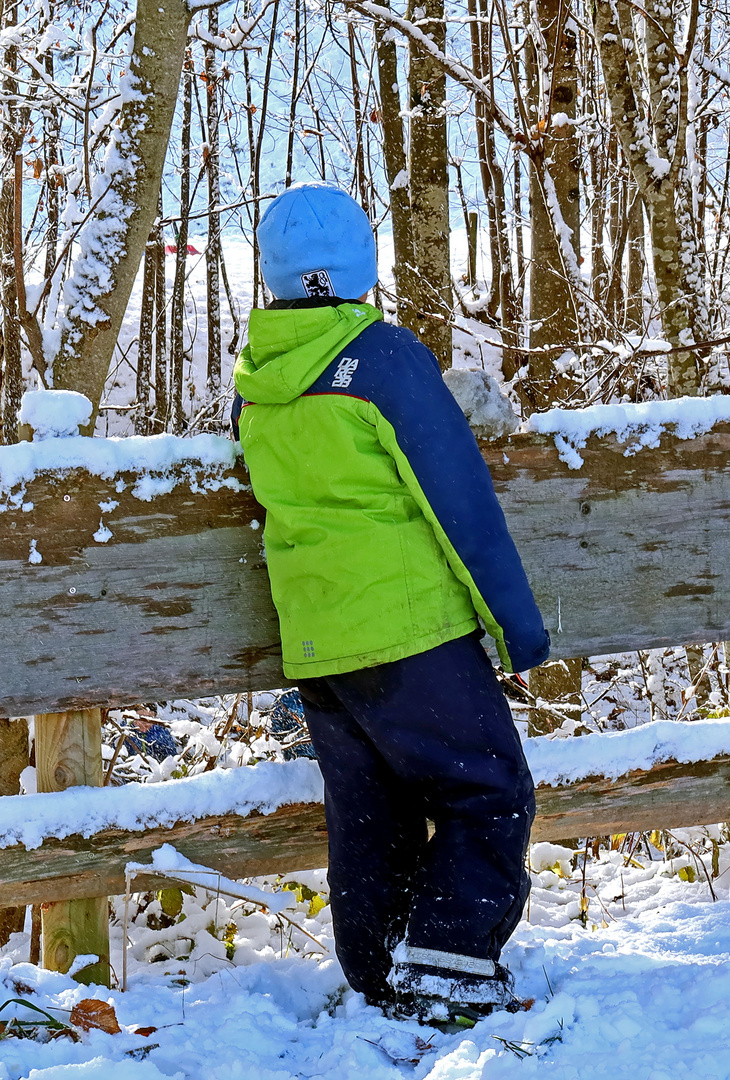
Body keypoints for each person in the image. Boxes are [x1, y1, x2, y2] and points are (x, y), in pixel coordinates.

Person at [233, 182, 549, 1023]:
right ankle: (446, 973)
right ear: (362, 267)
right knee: (491, 788)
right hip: (408, 630)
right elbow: (457, 497)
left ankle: (378, 978)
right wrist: (516, 625)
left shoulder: (256, 385)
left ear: (273, 275)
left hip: (319, 642)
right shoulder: (384, 357)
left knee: (371, 814)